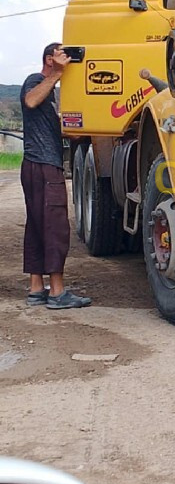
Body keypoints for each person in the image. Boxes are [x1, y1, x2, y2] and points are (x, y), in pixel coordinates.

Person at [20, 43, 92, 309]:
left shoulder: (49, 94)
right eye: (62, 54)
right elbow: (29, 100)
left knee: (38, 225)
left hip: (37, 165)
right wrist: (57, 74)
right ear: (50, 59)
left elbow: (57, 128)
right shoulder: (38, 80)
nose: (68, 58)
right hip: (44, 165)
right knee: (55, 227)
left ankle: (37, 288)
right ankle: (57, 292)